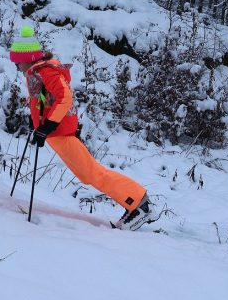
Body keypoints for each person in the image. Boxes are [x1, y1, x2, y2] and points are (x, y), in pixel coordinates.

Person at [9, 26, 153, 229]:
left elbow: (65, 99)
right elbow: (43, 98)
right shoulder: (38, 72)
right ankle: (137, 202)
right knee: (88, 174)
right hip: (57, 133)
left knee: (92, 173)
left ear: (29, 58)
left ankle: (139, 203)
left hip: (60, 132)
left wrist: (47, 126)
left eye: (18, 62)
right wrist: (36, 120)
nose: (17, 67)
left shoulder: (47, 72)